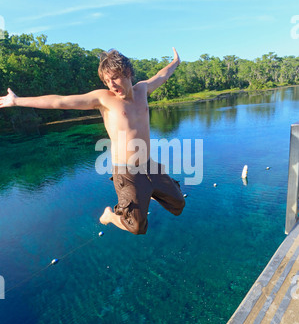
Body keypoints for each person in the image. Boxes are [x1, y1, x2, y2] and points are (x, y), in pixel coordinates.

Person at [0, 47, 185, 234]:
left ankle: (149, 191)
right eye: (106, 81)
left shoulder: (142, 90)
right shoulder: (103, 99)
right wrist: (17, 101)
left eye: (114, 78)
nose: (111, 85)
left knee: (179, 204)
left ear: (127, 72)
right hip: (128, 173)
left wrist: (176, 62)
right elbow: (60, 101)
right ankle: (110, 215)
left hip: (149, 165)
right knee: (136, 227)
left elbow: (162, 75)